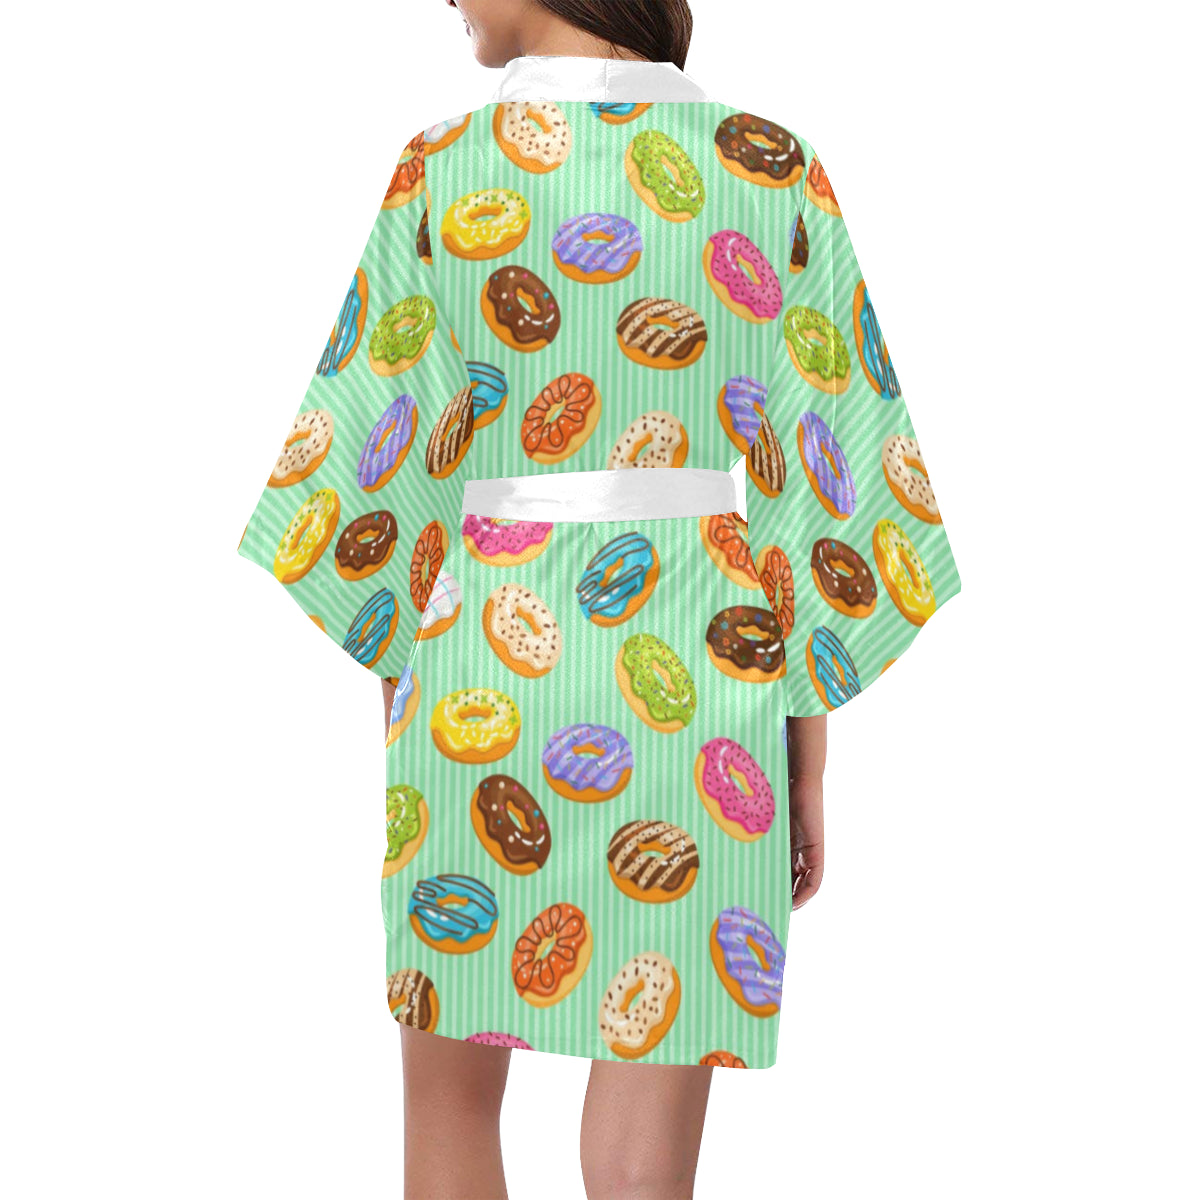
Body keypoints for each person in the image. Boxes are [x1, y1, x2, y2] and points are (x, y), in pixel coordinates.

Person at [234, 1, 963, 1194]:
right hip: (702, 698)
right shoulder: (770, 167)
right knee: (644, 1170)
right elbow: (826, 480)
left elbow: (376, 486)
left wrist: (410, 731)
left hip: (480, 683)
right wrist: (805, 763)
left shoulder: (440, 169)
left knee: (447, 1108)